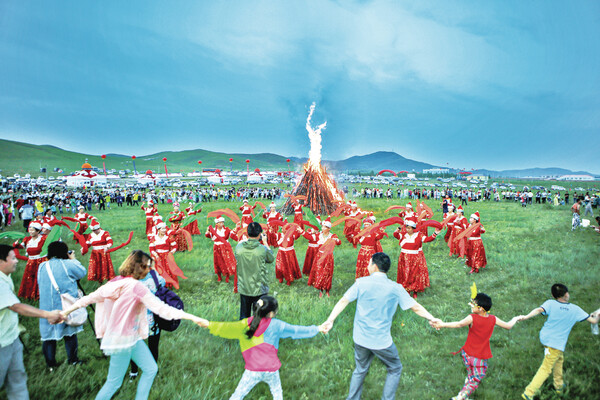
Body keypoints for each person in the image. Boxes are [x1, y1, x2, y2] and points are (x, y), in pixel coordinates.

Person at [60, 250, 205, 400]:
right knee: (113, 383)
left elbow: (88, 298)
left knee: (150, 369)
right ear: (139, 267)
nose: (150, 269)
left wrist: (65, 312)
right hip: (122, 340)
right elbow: (161, 308)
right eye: (148, 266)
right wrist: (192, 317)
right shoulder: (137, 287)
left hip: (132, 337)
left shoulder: (115, 282)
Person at [323, 252, 441, 400]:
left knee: (360, 369)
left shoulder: (361, 283)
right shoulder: (395, 288)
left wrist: (330, 320)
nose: (367, 265)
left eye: (369, 263)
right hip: (381, 341)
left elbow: (343, 301)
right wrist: (432, 318)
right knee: (395, 368)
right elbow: (415, 307)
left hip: (360, 338)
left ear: (375, 266)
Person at [198, 295, 326, 399]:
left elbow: (225, 327)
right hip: (271, 370)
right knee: (277, 394)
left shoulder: (244, 324)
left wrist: (208, 324)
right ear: (271, 313)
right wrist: (317, 328)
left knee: (238, 394)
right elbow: (296, 330)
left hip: (252, 370)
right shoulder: (277, 325)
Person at [0, 244, 63, 400]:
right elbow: (15, 306)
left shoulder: (5, 277)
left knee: (17, 379)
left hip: (12, 338)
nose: (16, 261)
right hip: (2, 343)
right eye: (12, 258)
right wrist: (47, 314)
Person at [518, 283, 600, 400]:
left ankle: (559, 386)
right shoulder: (575, 309)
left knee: (559, 360)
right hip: (555, 343)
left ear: (553, 295)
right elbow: (593, 321)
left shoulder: (550, 303)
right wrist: (598, 314)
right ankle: (529, 393)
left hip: (546, 337)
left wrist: (526, 316)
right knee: (546, 368)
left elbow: (538, 310)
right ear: (567, 294)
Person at [432, 293, 519, 400]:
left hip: (466, 354)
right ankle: (460, 397)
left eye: (473, 304)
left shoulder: (472, 318)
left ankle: (464, 394)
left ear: (481, 309)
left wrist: (442, 324)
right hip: (479, 357)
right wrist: (516, 318)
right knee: (476, 378)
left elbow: (459, 324)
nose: (471, 305)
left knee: (471, 375)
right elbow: (508, 326)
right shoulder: (493, 319)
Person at [37, 241, 87, 370]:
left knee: (48, 336)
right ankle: (73, 360)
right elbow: (82, 272)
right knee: (70, 333)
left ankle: (50, 365)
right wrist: (73, 259)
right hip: (65, 305)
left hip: (47, 306)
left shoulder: (42, 266)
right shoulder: (68, 264)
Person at [129, 265, 166, 381]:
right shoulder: (154, 277)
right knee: (153, 345)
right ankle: (152, 370)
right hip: (152, 318)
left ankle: (134, 371)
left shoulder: (130, 280)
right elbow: (163, 283)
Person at [235, 222, 274, 319]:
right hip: (259, 287)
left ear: (247, 233)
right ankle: (257, 328)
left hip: (244, 286)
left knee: (244, 315)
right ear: (259, 234)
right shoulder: (262, 249)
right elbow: (271, 258)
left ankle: (244, 327)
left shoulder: (239, 247)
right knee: (259, 315)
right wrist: (265, 242)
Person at [393, 220, 440, 298]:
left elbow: (427, 239)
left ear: (413, 229)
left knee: (415, 274)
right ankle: (407, 289)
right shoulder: (403, 235)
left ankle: (415, 290)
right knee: (406, 273)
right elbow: (395, 235)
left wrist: (435, 233)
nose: (407, 230)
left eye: (409, 228)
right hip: (404, 257)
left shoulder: (419, 235)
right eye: (406, 228)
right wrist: (398, 229)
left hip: (415, 257)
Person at [13, 221, 47, 300]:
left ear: (38, 231)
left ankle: (39, 295)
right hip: (30, 262)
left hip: (40, 261)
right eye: (30, 230)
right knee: (29, 279)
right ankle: (29, 295)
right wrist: (16, 244)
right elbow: (21, 247)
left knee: (38, 278)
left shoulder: (43, 239)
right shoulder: (27, 239)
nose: (30, 232)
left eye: (32, 230)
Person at [149, 222, 186, 289]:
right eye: (162, 229)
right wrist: (156, 255)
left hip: (166, 256)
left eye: (165, 229)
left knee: (168, 269)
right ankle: (158, 284)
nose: (164, 230)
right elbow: (151, 249)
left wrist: (171, 253)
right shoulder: (154, 238)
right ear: (158, 230)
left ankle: (168, 284)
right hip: (157, 256)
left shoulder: (168, 238)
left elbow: (175, 246)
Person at [205, 217, 237, 284]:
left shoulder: (226, 229)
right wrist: (208, 230)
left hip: (225, 247)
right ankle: (219, 276)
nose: (222, 224)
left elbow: (232, 235)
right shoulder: (213, 230)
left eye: (222, 222)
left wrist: (236, 229)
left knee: (226, 261)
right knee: (217, 262)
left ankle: (227, 276)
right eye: (220, 223)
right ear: (216, 223)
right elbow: (207, 235)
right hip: (217, 247)